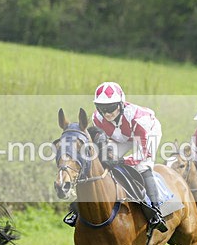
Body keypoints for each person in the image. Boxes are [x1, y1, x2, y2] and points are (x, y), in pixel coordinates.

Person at [64, 82, 167, 232]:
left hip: (147, 133)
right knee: (101, 162)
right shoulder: (97, 118)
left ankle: (156, 210)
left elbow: (144, 153)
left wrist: (122, 161)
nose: (107, 112)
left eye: (111, 107)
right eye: (102, 108)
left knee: (142, 166)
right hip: (122, 135)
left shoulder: (140, 120)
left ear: (121, 104)